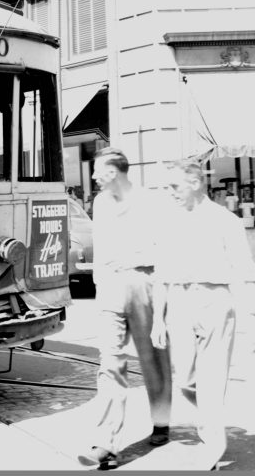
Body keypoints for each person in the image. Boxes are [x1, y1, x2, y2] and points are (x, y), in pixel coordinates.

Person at [151, 159, 255, 469]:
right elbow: (161, 272)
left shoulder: (224, 220)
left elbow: (246, 270)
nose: (170, 193)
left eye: (175, 186)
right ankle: (209, 428)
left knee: (212, 380)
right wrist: (158, 318)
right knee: (185, 380)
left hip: (215, 301)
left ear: (196, 183)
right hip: (180, 302)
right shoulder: (170, 221)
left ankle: (212, 446)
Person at [78, 147, 172, 470]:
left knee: (153, 358)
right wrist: (100, 282)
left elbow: (164, 254)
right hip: (110, 286)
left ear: (114, 173)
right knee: (110, 362)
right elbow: (101, 245)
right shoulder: (100, 203)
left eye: (98, 171)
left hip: (144, 281)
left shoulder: (150, 202)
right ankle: (106, 443)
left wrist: (159, 314)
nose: (92, 177)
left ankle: (161, 419)